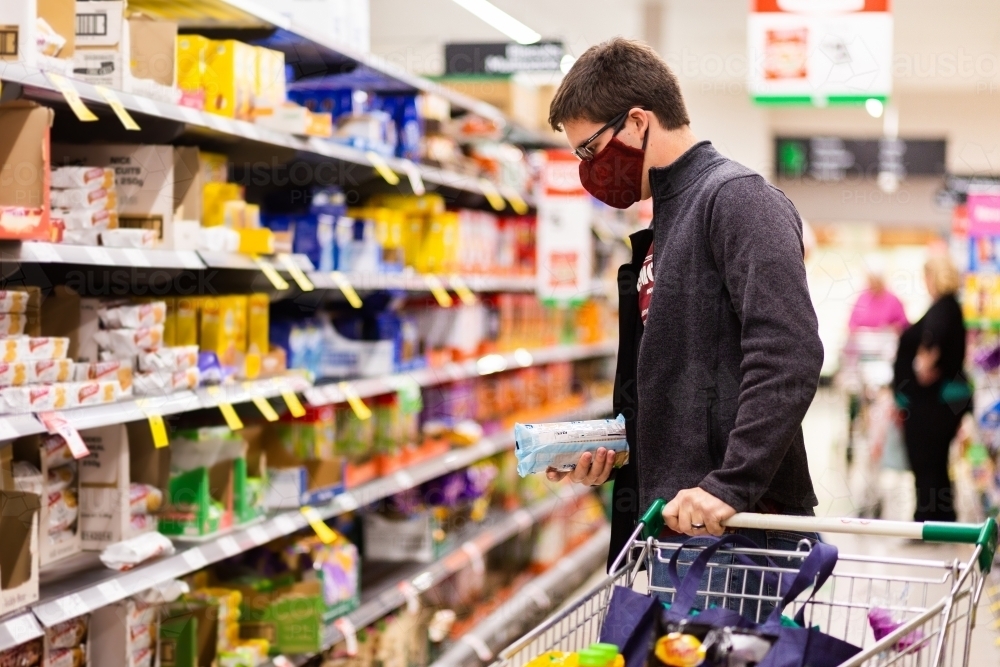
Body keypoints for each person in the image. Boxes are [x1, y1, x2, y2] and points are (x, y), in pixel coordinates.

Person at [542, 37, 824, 589]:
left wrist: (729, 484)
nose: (588, 168)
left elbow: (789, 354)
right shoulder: (667, 222)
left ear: (639, 122)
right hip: (680, 529)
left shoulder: (738, 200)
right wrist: (610, 447)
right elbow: (686, 380)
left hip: (743, 532)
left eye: (590, 148)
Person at [893, 254, 971, 523]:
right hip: (943, 401)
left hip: (932, 403)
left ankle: (927, 519)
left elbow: (931, 341)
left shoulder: (943, 308)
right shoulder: (951, 307)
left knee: (925, 460)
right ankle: (940, 518)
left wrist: (920, 368)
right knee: (936, 463)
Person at [848, 258, 909, 334]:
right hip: (864, 342)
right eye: (871, 280)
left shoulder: (893, 300)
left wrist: (893, 329)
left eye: (876, 281)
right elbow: (851, 325)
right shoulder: (862, 298)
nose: (873, 285)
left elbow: (904, 324)